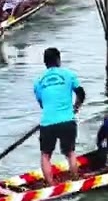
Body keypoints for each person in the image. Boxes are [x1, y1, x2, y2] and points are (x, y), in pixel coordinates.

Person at [33, 47, 86, 185]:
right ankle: (75, 179)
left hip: (47, 122)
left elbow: (42, 103)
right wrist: (76, 107)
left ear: (45, 62)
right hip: (67, 120)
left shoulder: (38, 81)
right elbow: (81, 93)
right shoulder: (69, 74)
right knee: (70, 153)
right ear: (59, 60)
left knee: (45, 156)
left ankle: (50, 186)